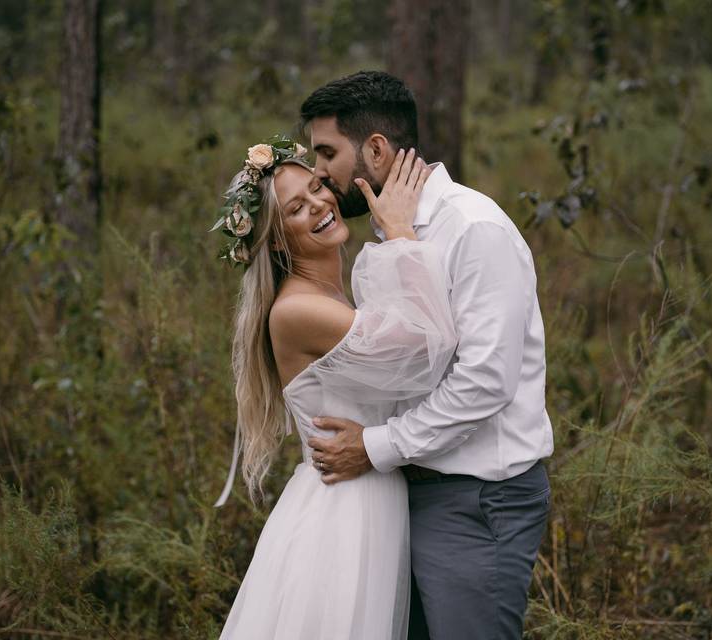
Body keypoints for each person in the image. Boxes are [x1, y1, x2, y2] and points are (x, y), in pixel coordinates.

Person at [299, 71, 555, 640]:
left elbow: (485, 382)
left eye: (326, 152)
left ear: (376, 149)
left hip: (478, 500)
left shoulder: (474, 229)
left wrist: (374, 446)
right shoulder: (391, 235)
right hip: (406, 489)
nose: (318, 171)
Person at [212, 134, 456, 640]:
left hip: (370, 495)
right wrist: (402, 233)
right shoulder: (298, 309)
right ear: (278, 240)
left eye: (317, 188)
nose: (321, 204)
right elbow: (421, 348)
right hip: (343, 515)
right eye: (297, 209)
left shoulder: (330, 296)